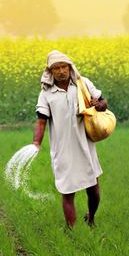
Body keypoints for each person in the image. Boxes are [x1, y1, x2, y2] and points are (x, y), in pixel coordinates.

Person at [32, 50, 108, 228]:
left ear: (69, 67)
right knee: (67, 192)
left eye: (63, 67)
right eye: (56, 68)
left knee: (93, 189)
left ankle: (91, 218)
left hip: (85, 146)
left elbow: (104, 103)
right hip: (62, 149)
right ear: (50, 72)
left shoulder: (83, 84)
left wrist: (99, 105)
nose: (60, 71)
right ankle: (72, 231)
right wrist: (36, 142)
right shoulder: (46, 94)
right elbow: (41, 122)